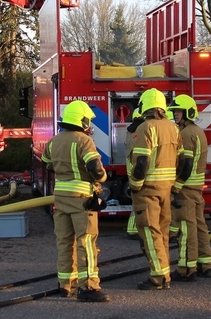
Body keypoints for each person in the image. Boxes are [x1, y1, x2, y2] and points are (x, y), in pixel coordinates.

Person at [42, 100, 109, 302]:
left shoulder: (54, 141)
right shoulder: (84, 140)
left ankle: (65, 285)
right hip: (82, 200)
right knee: (86, 242)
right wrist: (102, 179)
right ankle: (88, 287)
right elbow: (95, 168)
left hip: (61, 199)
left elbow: (47, 165)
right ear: (81, 120)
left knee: (64, 241)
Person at [129, 88, 181, 290]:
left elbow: (141, 161)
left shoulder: (145, 127)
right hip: (166, 189)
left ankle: (158, 277)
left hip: (148, 189)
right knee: (163, 232)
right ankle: (165, 270)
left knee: (150, 233)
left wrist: (135, 185)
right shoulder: (173, 128)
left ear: (145, 106)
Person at [169, 94, 211, 281]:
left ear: (188, 112)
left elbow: (186, 164)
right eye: (174, 111)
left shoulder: (186, 134)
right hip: (196, 188)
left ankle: (187, 269)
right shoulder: (198, 131)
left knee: (187, 229)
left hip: (186, 188)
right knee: (199, 226)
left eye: (178, 111)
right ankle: (205, 264)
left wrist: (176, 185)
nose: (175, 114)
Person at [125, 108, 145, 237]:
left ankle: (133, 227)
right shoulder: (142, 131)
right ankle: (132, 229)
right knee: (138, 202)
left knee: (136, 200)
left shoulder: (129, 130)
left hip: (130, 167)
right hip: (138, 168)